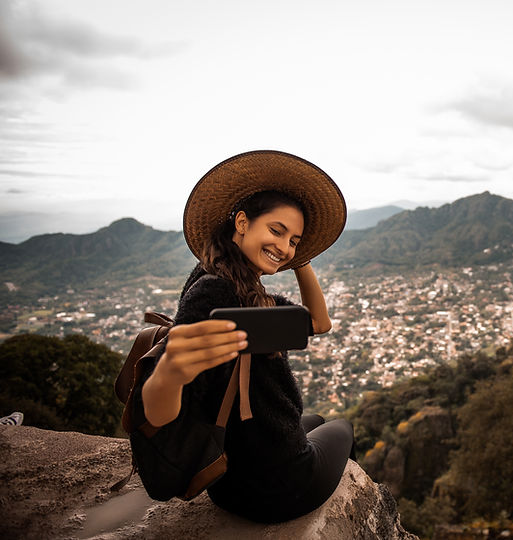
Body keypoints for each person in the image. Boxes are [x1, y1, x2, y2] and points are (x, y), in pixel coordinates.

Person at [132, 150, 355, 523]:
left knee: (313, 419)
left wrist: (299, 258)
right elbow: (163, 412)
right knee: (344, 428)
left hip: (230, 482)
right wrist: (169, 373)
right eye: (276, 231)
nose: (284, 248)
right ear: (241, 222)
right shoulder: (217, 295)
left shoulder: (232, 285)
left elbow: (318, 322)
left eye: (295, 242)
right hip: (278, 488)